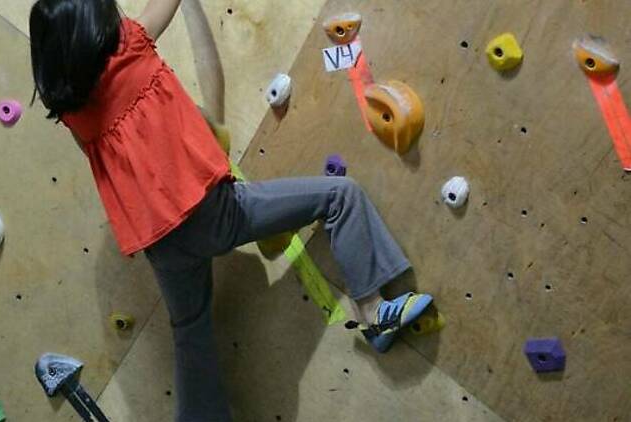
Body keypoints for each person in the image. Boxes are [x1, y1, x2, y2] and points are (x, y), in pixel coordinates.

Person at [28, 0, 434, 420]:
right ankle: (374, 312)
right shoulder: (130, 45)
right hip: (209, 212)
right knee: (340, 196)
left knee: (191, 332)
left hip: (162, 247)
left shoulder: (77, 118)